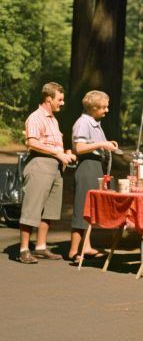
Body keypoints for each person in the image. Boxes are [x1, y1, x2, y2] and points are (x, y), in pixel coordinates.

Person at [18, 82, 77, 264]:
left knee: (49, 211)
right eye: (59, 99)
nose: (62, 103)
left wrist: (65, 153)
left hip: (55, 167)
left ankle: (41, 247)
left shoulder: (53, 119)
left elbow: (53, 143)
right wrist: (57, 153)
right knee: (32, 208)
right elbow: (32, 143)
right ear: (48, 99)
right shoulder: (35, 118)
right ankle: (24, 249)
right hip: (39, 165)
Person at [67, 90, 119, 263]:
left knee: (91, 208)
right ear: (94, 108)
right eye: (104, 107)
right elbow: (79, 148)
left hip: (96, 165)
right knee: (83, 206)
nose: (107, 110)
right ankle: (74, 251)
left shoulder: (95, 122)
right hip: (87, 165)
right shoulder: (83, 123)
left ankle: (86, 246)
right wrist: (102, 144)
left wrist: (107, 144)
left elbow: (94, 145)